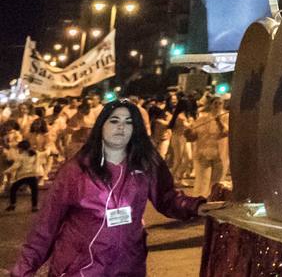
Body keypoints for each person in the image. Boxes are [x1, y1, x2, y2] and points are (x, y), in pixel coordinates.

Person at [12, 98, 217, 277]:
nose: (121, 127)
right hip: (81, 269)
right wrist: (23, 270)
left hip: (128, 266)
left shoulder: (146, 164)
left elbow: (167, 197)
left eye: (129, 122)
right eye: (114, 121)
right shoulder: (76, 170)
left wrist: (197, 207)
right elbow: (46, 225)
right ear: (101, 126)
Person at [188, 97, 229, 196]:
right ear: (211, 104)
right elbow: (193, 137)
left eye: (220, 103)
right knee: (202, 182)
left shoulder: (227, 117)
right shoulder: (202, 119)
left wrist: (219, 122)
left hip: (220, 155)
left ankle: (212, 203)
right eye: (215, 103)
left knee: (216, 183)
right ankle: (198, 203)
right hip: (203, 154)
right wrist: (188, 133)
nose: (217, 105)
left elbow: (226, 132)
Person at [5, 141, 40, 212]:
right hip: (32, 174)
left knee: (13, 189)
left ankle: (13, 204)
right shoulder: (35, 154)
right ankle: (34, 206)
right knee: (34, 191)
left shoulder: (20, 157)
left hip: (23, 176)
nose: (18, 150)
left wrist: (6, 171)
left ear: (22, 148)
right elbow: (36, 164)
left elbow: (15, 166)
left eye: (19, 148)